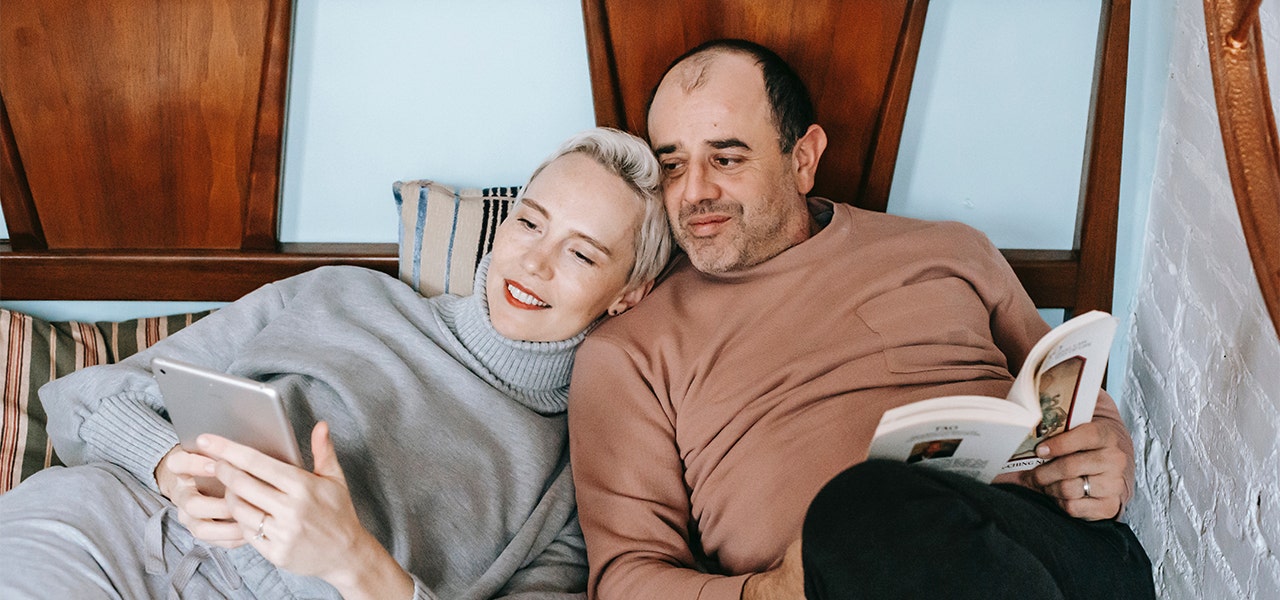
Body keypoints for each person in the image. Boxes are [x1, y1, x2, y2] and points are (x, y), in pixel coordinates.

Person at [567, 39, 1155, 599]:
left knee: (872, 503)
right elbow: (625, 578)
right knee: (858, 507)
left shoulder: (950, 249)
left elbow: (1066, 384)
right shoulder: (628, 351)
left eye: (725, 157)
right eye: (672, 165)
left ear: (802, 158)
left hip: (1049, 544)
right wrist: (768, 592)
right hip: (837, 574)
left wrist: (1106, 451)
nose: (694, 192)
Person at [0, 126, 672, 599]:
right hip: (112, 530)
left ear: (630, 294)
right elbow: (83, 401)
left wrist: (354, 564)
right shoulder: (339, 291)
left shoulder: (572, 479)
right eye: (530, 222)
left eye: (582, 253)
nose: (534, 261)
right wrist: (168, 465)